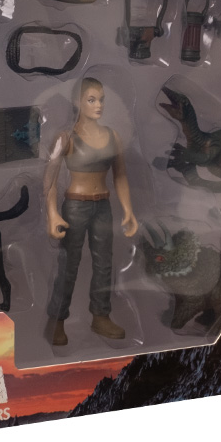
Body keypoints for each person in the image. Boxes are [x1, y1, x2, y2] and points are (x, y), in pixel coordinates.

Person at [44, 77, 138, 345]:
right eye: (91, 100)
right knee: (68, 264)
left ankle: (101, 316)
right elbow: (50, 179)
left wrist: (128, 210)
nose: (98, 105)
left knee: (104, 263)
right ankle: (57, 320)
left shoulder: (112, 136)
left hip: (103, 206)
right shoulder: (66, 137)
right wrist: (52, 213)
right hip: (75, 207)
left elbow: (120, 175)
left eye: (101, 99)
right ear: (78, 102)